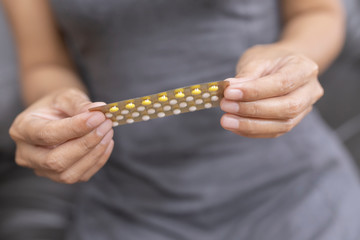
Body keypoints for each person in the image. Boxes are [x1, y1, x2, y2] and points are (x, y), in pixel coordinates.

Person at [3, 0, 360, 239]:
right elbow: (43, 62)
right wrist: (52, 106)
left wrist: (291, 58)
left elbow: (318, 11)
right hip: (131, 209)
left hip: (296, 199)